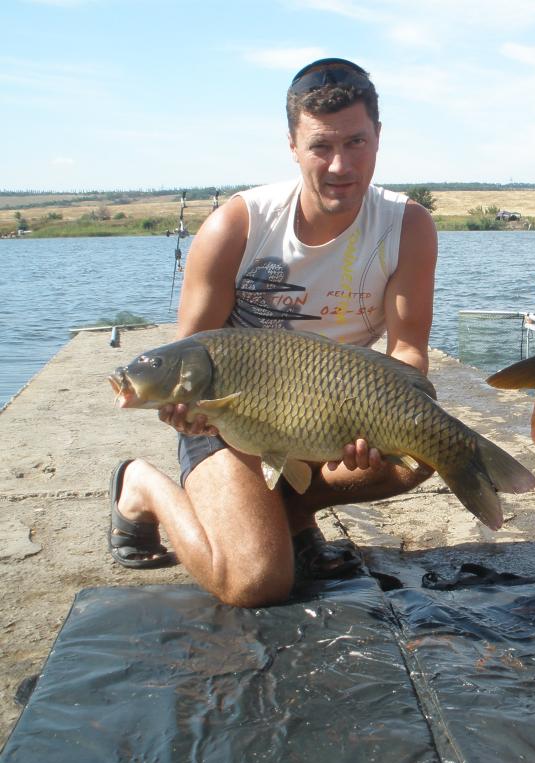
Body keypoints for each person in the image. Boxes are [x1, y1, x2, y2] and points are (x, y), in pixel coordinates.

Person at [107, 58, 438, 607]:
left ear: (379, 137)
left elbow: (407, 351)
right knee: (256, 582)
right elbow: (189, 356)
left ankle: (294, 514)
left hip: (329, 409)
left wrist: (387, 417)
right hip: (232, 421)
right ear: (292, 145)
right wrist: (187, 413)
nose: (340, 164)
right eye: (320, 147)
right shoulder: (238, 226)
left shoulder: (408, 226)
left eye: (356, 142)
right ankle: (142, 486)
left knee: (426, 447)